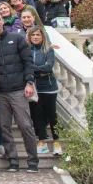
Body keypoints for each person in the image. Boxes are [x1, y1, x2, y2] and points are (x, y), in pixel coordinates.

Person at [0, 9, 40, 173]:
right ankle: (13, 160)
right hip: (0, 93)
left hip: (18, 90)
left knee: (25, 126)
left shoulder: (16, 39)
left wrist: (29, 82)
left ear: (3, 21)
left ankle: (33, 160)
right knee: (4, 128)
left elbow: (28, 61)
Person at [27, 26, 62, 157]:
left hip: (48, 87)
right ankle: (41, 141)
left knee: (51, 115)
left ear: (43, 36)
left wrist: (34, 69)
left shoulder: (48, 49)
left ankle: (57, 142)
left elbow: (48, 67)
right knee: (37, 116)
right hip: (34, 88)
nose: (36, 37)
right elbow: (26, 66)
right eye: (33, 35)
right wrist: (37, 70)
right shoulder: (28, 51)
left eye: (38, 35)